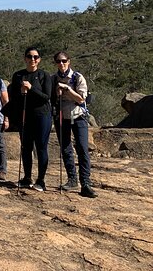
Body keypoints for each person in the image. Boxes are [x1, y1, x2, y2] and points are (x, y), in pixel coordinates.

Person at [52, 52, 98, 198]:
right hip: (62, 116)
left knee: (82, 148)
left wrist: (67, 89)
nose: (61, 64)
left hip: (78, 116)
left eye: (64, 61)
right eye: (58, 61)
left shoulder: (78, 77)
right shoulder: (53, 79)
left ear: (69, 61)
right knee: (66, 149)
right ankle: (72, 179)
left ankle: (86, 182)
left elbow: (81, 99)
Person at [8, 46, 53, 192]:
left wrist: (31, 88)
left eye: (35, 57)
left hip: (42, 116)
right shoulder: (18, 76)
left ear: (39, 59)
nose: (32, 59)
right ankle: (27, 178)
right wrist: (21, 92)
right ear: (25, 58)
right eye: (29, 56)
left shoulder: (44, 75)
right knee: (26, 147)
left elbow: (46, 97)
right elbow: (13, 96)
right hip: (25, 115)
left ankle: (41, 180)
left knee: (41, 147)